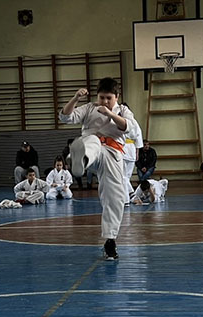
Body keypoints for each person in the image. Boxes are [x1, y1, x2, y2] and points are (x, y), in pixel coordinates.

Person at [60, 77, 130, 260]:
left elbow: (128, 127)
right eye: (101, 97)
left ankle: (110, 241)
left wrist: (110, 114)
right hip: (93, 149)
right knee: (92, 140)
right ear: (97, 96)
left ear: (116, 97)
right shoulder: (90, 108)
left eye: (109, 98)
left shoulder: (123, 110)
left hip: (113, 154)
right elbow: (65, 117)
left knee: (115, 196)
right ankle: (81, 159)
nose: (104, 101)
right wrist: (75, 98)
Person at [120, 104, 143, 203]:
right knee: (126, 176)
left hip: (122, 149)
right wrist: (137, 152)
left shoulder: (119, 121)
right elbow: (139, 138)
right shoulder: (134, 122)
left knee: (123, 177)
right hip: (132, 150)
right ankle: (131, 194)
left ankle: (126, 199)